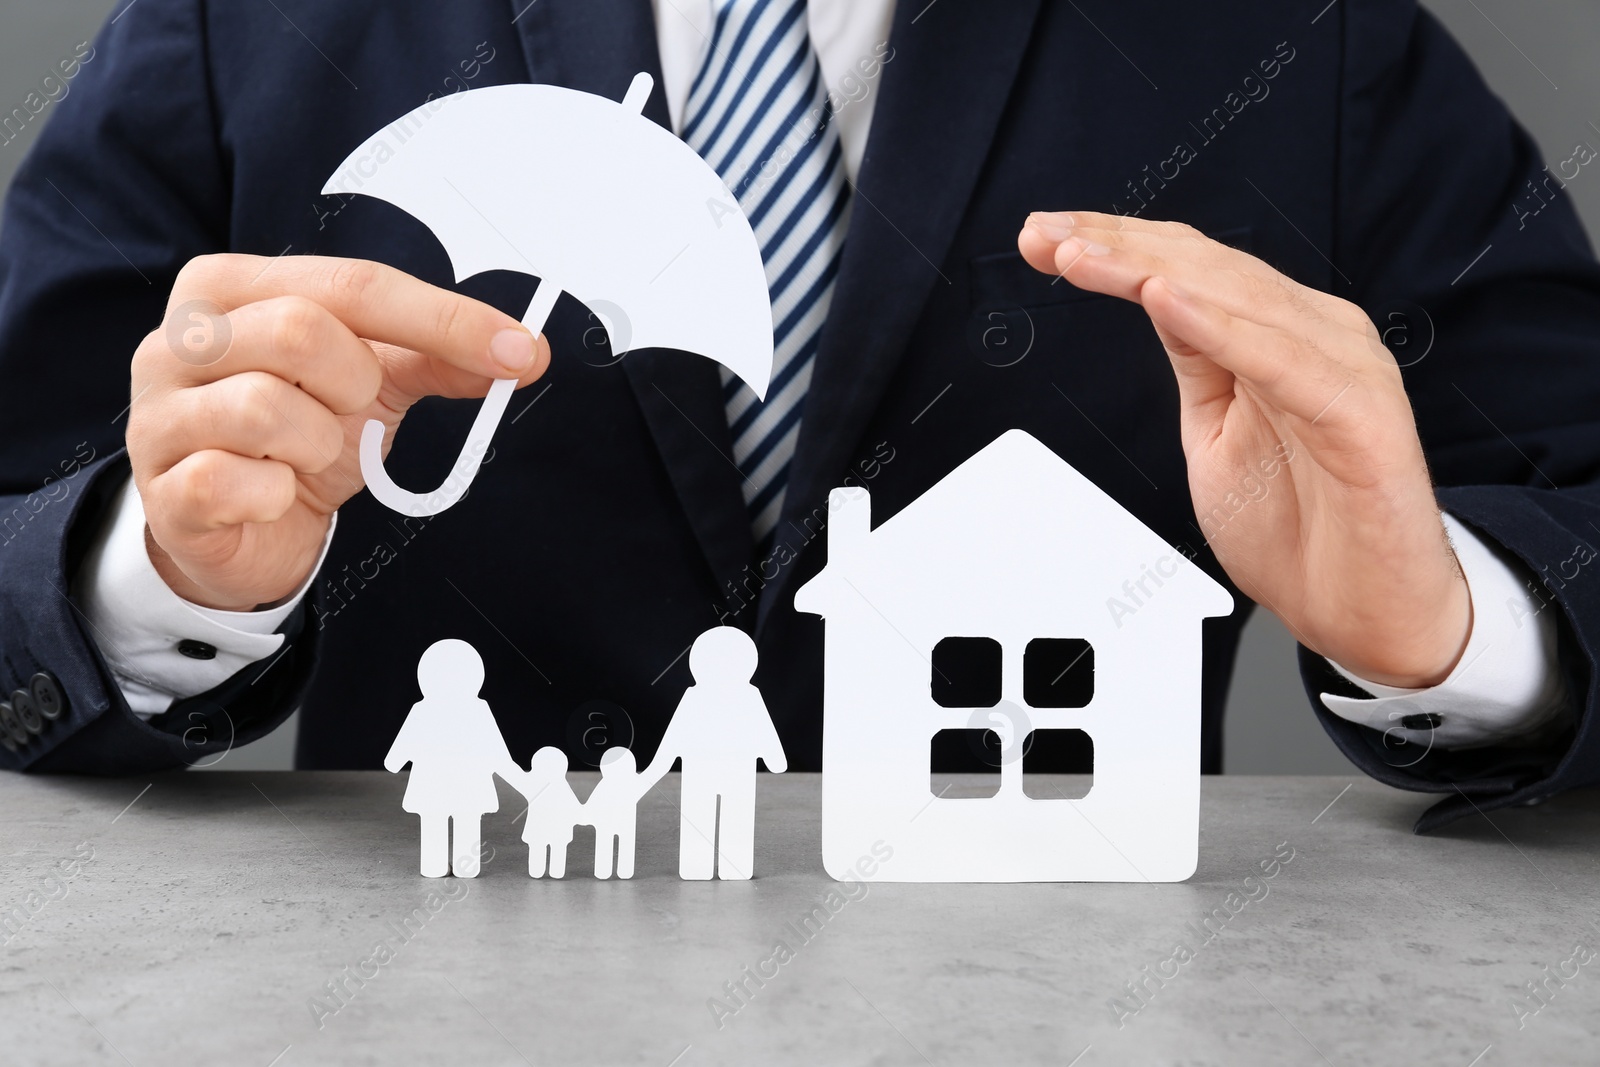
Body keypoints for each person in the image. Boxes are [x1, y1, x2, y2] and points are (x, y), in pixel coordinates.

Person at [0, 0, 1596, 833]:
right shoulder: (235, 18)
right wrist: (160, 570)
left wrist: (1455, 628)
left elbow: (1579, 493)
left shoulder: (1294, 33)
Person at [641, 627, 787, 880]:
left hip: (731, 772)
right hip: (709, 772)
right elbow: (674, 737)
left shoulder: (746, 696)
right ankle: (701, 865)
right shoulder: (697, 696)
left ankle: (731, 865)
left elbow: (763, 728)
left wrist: (775, 758)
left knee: (733, 819)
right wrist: (775, 760)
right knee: (701, 819)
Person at [383, 639, 523, 878]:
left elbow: (394, 760)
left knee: (436, 821)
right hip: (470, 785)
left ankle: (436, 866)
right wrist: (523, 781)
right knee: (463, 818)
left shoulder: (424, 710)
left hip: (432, 786)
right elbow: (499, 756)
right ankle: (462, 867)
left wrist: (397, 761)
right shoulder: (477, 710)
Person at [583, 747, 653, 880]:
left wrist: (585, 813)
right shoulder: (629, 783)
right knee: (616, 843)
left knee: (610, 843)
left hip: (614, 823)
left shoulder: (609, 784)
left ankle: (609, 871)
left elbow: (592, 803)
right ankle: (617, 871)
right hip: (618, 823)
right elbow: (594, 802)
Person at [519, 746, 583, 878]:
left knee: (553, 846)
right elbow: (574, 807)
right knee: (546, 846)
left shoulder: (559, 787)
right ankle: (544, 871)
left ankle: (550, 871)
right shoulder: (539, 785)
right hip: (547, 829)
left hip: (548, 829)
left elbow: (573, 806)